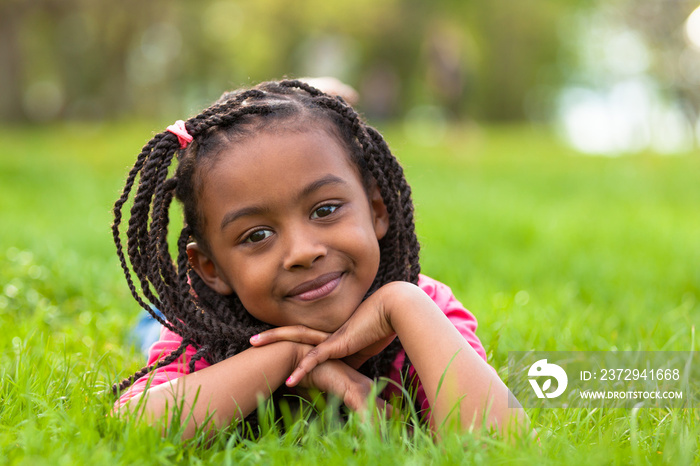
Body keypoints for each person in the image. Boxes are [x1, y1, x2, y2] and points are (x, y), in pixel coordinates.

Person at [111, 79, 529, 440]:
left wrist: (402, 302)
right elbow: (131, 427)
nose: (303, 252)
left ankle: (304, 99)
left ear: (377, 209)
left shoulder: (423, 309)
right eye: (257, 235)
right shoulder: (205, 327)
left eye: (325, 209)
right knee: (152, 323)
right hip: (190, 310)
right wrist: (288, 357)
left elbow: (501, 441)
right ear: (211, 269)